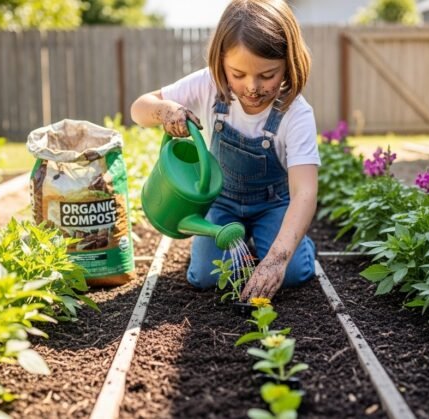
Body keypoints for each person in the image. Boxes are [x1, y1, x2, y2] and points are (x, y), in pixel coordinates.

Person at [130, 0, 318, 300]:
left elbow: (305, 192)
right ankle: (256, 242)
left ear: (289, 63)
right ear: (221, 62)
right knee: (206, 277)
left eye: (267, 75)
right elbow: (139, 109)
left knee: (293, 273)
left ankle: (295, 244)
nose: (252, 87)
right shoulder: (208, 85)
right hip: (222, 203)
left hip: (273, 205)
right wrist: (165, 110)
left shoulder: (295, 113)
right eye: (238, 74)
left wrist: (276, 260)